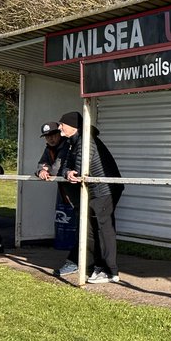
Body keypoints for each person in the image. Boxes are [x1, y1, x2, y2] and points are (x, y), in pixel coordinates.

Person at [57, 110, 123, 284]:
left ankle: (110, 271)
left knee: (104, 229)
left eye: (62, 123)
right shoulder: (72, 142)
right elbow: (65, 166)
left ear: (74, 126)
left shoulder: (86, 141)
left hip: (104, 190)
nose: (59, 127)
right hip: (93, 192)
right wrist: (68, 172)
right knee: (90, 230)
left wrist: (73, 172)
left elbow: (81, 166)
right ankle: (96, 266)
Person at [34, 121, 78, 277]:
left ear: (60, 133)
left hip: (76, 191)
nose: (50, 139)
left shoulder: (68, 145)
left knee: (80, 225)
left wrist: (47, 169)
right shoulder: (49, 149)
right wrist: (41, 171)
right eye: (47, 136)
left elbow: (56, 169)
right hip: (64, 192)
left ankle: (77, 261)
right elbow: (41, 165)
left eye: (53, 135)